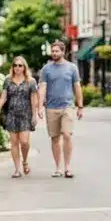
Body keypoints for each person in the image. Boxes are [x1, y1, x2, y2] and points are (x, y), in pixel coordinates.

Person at [37, 41, 83, 178]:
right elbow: (42, 88)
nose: (54, 53)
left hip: (67, 106)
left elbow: (77, 87)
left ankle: (68, 167)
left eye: (57, 51)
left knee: (67, 134)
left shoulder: (72, 68)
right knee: (55, 138)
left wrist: (80, 106)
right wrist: (39, 106)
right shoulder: (46, 69)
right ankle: (58, 168)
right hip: (51, 107)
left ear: (63, 52)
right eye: (53, 51)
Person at [0, 56, 38, 178]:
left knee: (24, 142)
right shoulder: (8, 80)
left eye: (20, 65)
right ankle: (17, 169)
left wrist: (34, 115)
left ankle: (25, 161)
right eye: (15, 65)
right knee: (14, 143)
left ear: (24, 67)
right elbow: (3, 97)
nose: (17, 68)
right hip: (11, 114)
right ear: (12, 67)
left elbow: (33, 99)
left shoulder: (31, 81)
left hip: (25, 115)